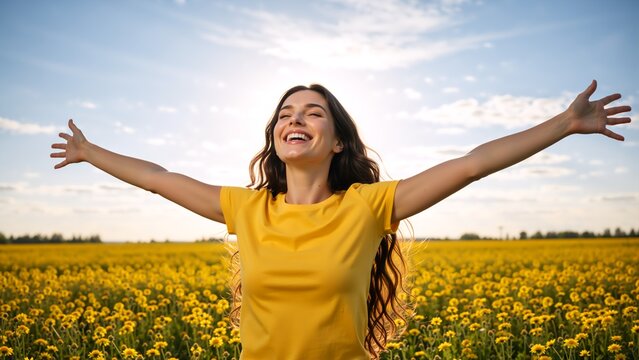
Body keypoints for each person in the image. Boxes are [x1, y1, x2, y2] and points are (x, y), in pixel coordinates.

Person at [50, 80, 631, 359]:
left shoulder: (368, 207)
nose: (294, 119)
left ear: (336, 142)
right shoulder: (246, 209)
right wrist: (89, 151)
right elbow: (158, 176)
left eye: (312, 112)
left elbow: (472, 163)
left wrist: (562, 124)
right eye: (284, 113)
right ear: (275, 137)